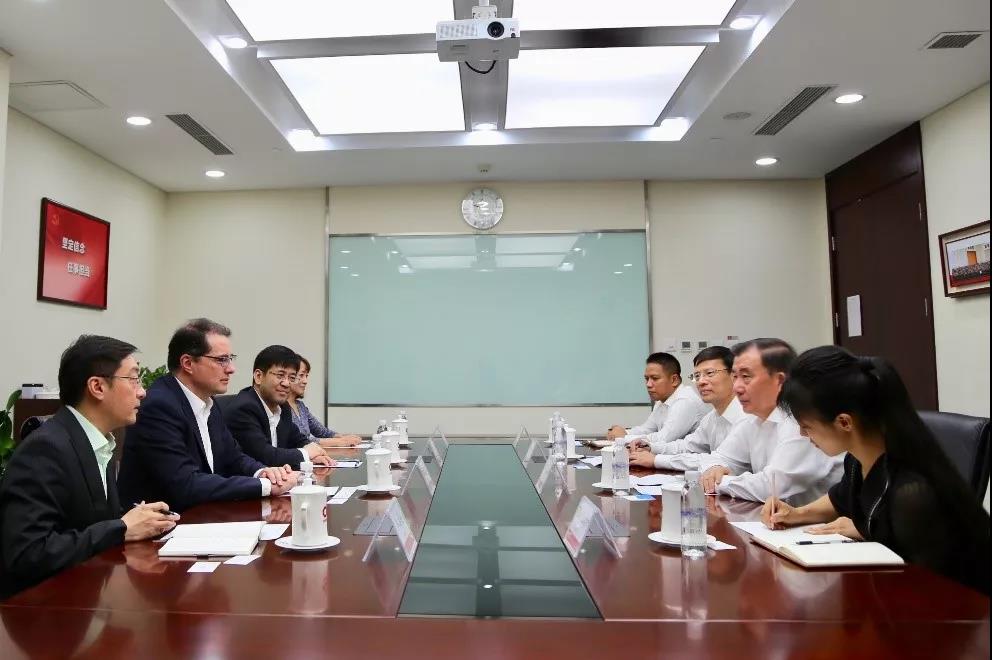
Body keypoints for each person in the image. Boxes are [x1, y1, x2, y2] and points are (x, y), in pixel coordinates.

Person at [761, 345, 990, 594]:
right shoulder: (858, 459)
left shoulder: (912, 493)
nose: (803, 434)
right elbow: (840, 498)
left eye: (807, 426)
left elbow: (929, 588)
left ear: (844, 422)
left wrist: (868, 533)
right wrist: (797, 513)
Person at [0, 336, 178, 598]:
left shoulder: (98, 442)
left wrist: (139, 519)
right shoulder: (45, 449)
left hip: (85, 593)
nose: (142, 392)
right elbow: (29, 553)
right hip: (42, 609)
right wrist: (121, 528)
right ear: (97, 387)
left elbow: (88, 521)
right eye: (133, 379)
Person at [118, 319, 297, 511]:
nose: (231, 368)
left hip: (204, 515)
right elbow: (186, 484)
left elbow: (234, 457)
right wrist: (265, 486)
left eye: (230, 359)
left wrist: (263, 473)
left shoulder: (208, 402)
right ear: (188, 363)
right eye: (221, 360)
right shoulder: (159, 406)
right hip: (166, 521)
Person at [699, 339, 842, 505]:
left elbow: (771, 487)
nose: (736, 387)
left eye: (746, 377)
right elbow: (718, 458)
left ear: (780, 380)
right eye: (735, 376)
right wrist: (713, 469)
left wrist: (719, 482)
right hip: (780, 517)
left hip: (822, 520)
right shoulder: (752, 417)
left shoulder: (801, 420)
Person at [630, 346, 745, 469]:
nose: (701, 382)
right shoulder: (712, 417)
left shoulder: (745, 416)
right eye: (697, 376)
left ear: (734, 375)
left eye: (710, 373)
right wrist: (651, 447)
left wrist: (656, 460)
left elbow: (718, 460)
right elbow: (688, 446)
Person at [225, 346, 333, 468]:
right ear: (259, 376)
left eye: (292, 378)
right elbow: (265, 456)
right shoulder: (244, 408)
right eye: (280, 375)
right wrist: (306, 453)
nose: (286, 383)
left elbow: (297, 439)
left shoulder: (283, 407)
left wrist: (314, 455)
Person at [607, 352, 708, 446]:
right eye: (647, 379)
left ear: (674, 380)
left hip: (693, 458)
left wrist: (624, 437)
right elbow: (647, 429)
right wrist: (623, 432)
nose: (648, 384)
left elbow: (664, 439)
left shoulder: (685, 401)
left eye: (655, 378)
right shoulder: (661, 401)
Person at [288, 356, 361, 448]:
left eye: (306, 376)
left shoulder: (300, 406)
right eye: (301, 375)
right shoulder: (281, 408)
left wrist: (343, 437)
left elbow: (322, 432)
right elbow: (301, 441)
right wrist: (340, 442)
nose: (305, 381)